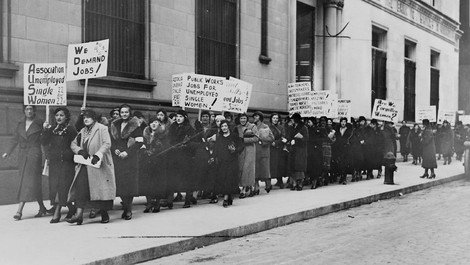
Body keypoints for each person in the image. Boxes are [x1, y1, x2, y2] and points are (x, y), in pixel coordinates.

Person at [68, 109, 116, 225]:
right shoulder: (83, 131)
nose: (86, 119)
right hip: (85, 164)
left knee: (100, 190)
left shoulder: (102, 128)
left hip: (99, 164)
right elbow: (73, 144)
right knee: (81, 189)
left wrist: (98, 154)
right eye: (84, 117)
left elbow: (107, 144)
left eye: (88, 117)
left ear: (94, 118)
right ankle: (79, 216)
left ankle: (104, 213)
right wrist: (80, 151)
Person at [2, 105, 50, 220]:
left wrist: (45, 130)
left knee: (27, 181)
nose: (29, 111)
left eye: (31, 109)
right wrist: (8, 152)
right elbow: (15, 139)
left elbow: (44, 141)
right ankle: (42, 207)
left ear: (34, 111)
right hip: (23, 155)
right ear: (24, 111)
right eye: (27, 109)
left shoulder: (40, 123)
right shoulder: (20, 124)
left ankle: (19, 210)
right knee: (34, 181)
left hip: (34, 154)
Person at [41, 107, 78, 223]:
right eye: (57, 115)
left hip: (67, 163)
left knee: (62, 187)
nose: (58, 117)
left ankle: (57, 213)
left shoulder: (71, 130)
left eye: (61, 115)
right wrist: (45, 130)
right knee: (55, 187)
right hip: (55, 163)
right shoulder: (52, 129)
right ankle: (72, 209)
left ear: (66, 117)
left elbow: (76, 144)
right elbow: (43, 142)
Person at [110, 104, 144, 220]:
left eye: (126, 112)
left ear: (130, 113)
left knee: (129, 184)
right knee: (121, 184)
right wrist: (115, 150)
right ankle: (125, 206)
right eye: (122, 112)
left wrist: (128, 152)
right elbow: (112, 142)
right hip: (118, 158)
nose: (124, 114)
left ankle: (128, 209)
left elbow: (139, 142)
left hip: (130, 158)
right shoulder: (115, 125)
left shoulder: (135, 126)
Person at [140, 113, 171, 213]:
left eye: (156, 122)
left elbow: (166, 147)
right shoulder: (145, 134)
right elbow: (140, 145)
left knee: (157, 183)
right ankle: (149, 203)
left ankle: (157, 203)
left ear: (159, 124)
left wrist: (155, 150)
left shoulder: (163, 134)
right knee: (147, 183)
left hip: (158, 162)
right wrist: (144, 151)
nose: (154, 124)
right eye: (152, 122)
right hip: (147, 161)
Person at [168, 109, 196, 208]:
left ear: (185, 118)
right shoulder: (172, 127)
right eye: (177, 116)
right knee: (172, 177)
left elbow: (195, 143)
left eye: (181, 117)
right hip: (174, 155)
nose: (178, 119)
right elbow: (169, 139)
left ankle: (188, 199)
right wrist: (172, 146)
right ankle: (170, 200)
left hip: (185, 157)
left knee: (186, 177)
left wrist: (187, 145)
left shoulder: (190, 128)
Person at [213, 120, 244, 207]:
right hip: (222, 161)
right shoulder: (219, 137)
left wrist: (235, 150)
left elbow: (241, 146)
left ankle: (226, 198)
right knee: (224, 179)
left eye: (225, 126)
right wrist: (214, 157)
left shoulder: (234, 136)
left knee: (229, 179)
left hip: (232, 161)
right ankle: (229, 195)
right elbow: (216, 148)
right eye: (222, 126)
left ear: (228, 127)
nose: (224, 128)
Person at [192, 111, 218, 203]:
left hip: (211, 152)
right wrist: (201, 145)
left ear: (210, 118)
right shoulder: (197, 129)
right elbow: (193, 141)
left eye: (207, 116)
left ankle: (211, 194)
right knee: (198, 173)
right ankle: (194, 195)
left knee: (211, 174)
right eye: (203, 116)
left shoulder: (214, 128)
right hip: (200, 153)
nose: (205, 118)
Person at [235, 112, 258, 198]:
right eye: (241, 118)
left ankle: (244, 189)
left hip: (250, 150)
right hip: (240, 150)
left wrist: (244, 140)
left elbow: (256, 138)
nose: (243, 120)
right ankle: (247, 187)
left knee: (247, 169)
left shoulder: (252, 126)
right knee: (240, 168)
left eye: (244, 118)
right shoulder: (237, 128)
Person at [253, 111, 274, 194]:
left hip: (264, 150)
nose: (255, 118)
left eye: (256, 116)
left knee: (265, 169)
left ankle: (268, 184)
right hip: (255, 150)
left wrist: (263, 140)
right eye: (254, 116)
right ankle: (256, 187)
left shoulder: (265, 126)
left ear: (260, 117)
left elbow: (271, 138)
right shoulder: (252, 126)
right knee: (256, 169)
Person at [288, 113, 309, 190]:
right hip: (293, 148)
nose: (292, 121)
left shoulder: (304, 127)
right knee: (293, 166)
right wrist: (289, 140)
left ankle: (300, 183)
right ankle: (294, 183)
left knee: (299, 167)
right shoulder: (292, 127)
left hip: (301, 149)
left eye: (293, 119)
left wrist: (299, 139)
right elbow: (289, 136)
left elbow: (306, 138)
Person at [333, 117, 353, 185]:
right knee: (339, 163)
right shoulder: (337, 129)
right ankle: (341, 176)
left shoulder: (349, 130)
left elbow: (350, 138)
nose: (343, 123)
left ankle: (344, 177)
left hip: (346, 148)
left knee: (345, 162)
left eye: (344, 122)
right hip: (338, 147)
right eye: (342, 122)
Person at [268, 113, 285, 189]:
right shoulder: (268, 127)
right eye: (274, 118)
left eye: (276, 118)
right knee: (271, 165)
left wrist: (277, 142)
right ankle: (269, 182)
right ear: (271, 119)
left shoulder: (281, 128)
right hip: (271, 149)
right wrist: (271, 143)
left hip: (279, 148)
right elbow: (266, 136)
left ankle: (280, 181)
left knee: (280, 165)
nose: (275, 119)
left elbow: (283, 137)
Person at [306, 117, 323, 188]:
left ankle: (315, 181)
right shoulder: (307, 129)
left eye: (309, 122)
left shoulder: (318, 129)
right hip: (309, 149)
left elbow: (321, 138)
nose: (308, 123)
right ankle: (313, 180)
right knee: (310, 166)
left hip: (316, 150)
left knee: (315, 166)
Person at [349, 116, 366, 182]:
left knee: (358, 160)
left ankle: (358, 173)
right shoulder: (349, 129)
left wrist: (361, 140)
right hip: (351, 147)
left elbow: (361, 136)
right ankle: (354, 174)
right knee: (352, 161)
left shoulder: (357, 129)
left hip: (358, 147)